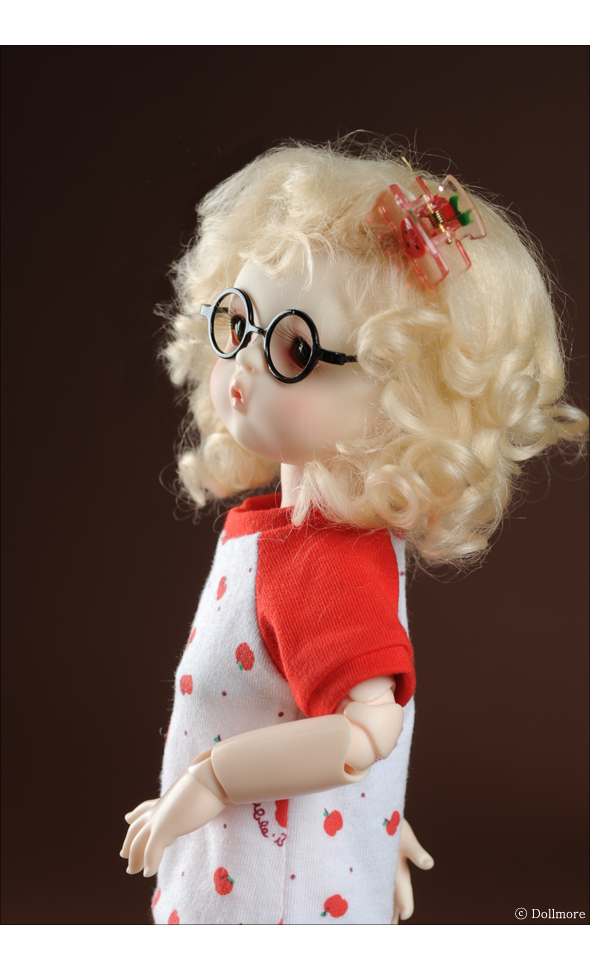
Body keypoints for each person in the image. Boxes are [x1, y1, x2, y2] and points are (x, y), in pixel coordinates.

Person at [120, 141, 587, 924]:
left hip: (264, 909)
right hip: (269, 873)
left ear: (402, 400)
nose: (245, 367)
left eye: (296, 350)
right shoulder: (296, 541)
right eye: (239, 321)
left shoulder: (322, 562)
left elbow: (364, 729)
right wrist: (375, 825)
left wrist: (208, 780)